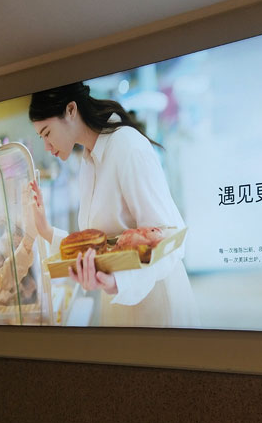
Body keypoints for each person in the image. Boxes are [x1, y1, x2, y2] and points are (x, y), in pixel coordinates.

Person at [28, 81, 199, 327]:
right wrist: (45, 230)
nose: (46, 146)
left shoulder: (127, 146)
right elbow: (103, 245)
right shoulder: (88, 161)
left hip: (158, 305)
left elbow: (169, 242)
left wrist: (120, 282)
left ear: (71, 110)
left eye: (47, 133)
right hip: (121, 305)